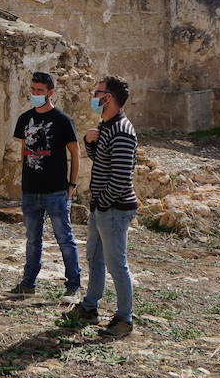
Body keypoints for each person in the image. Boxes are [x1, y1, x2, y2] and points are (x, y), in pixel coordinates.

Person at [65, 75, 138, 338]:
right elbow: (100, 158)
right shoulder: (106, 125)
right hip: (102, 207)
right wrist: (89, 141)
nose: (94, 97)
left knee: (116, 263)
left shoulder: (122, 131)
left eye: (98, 93)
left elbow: (121, 178)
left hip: (114, 209)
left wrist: (103, 204)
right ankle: (89, 307)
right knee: (95, 258)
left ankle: (124, 319)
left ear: (109, 98)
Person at [9, 71, 81, 297]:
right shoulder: (24, 119)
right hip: (31, 190)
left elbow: (75, 154)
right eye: (33, 90)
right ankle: (28, 283)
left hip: (56, 191)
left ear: (51, 93)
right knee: (32, 240)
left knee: (65, 239)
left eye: (40, 91)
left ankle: (73, 286)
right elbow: (23, 150)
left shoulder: (62, 120)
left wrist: (72, 185)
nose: (35, 94)